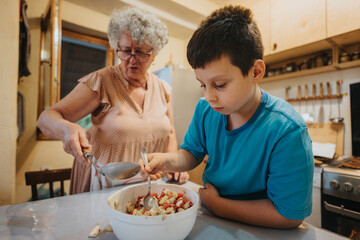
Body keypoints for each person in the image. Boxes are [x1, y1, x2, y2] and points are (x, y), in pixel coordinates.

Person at [141, 5, 314, 229]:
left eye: (220, 84)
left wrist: (218, 204)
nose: (209, 96)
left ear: (256, 72)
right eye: (202, 85)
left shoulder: (286, 130)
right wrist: (167, 161)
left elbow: (289, 217)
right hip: (212, 220)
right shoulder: (205, 109)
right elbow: (191, 154)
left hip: (263, 229)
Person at [37, 7, 189, 194]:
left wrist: (171, 163)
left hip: (146, 185)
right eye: (125, 51)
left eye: (141, 53)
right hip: (103, 184)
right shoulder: (102, 81)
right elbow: (46, 118)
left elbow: (171, 133)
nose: (132, 60)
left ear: (154, 55)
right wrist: (65, 128)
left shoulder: (163, 89)